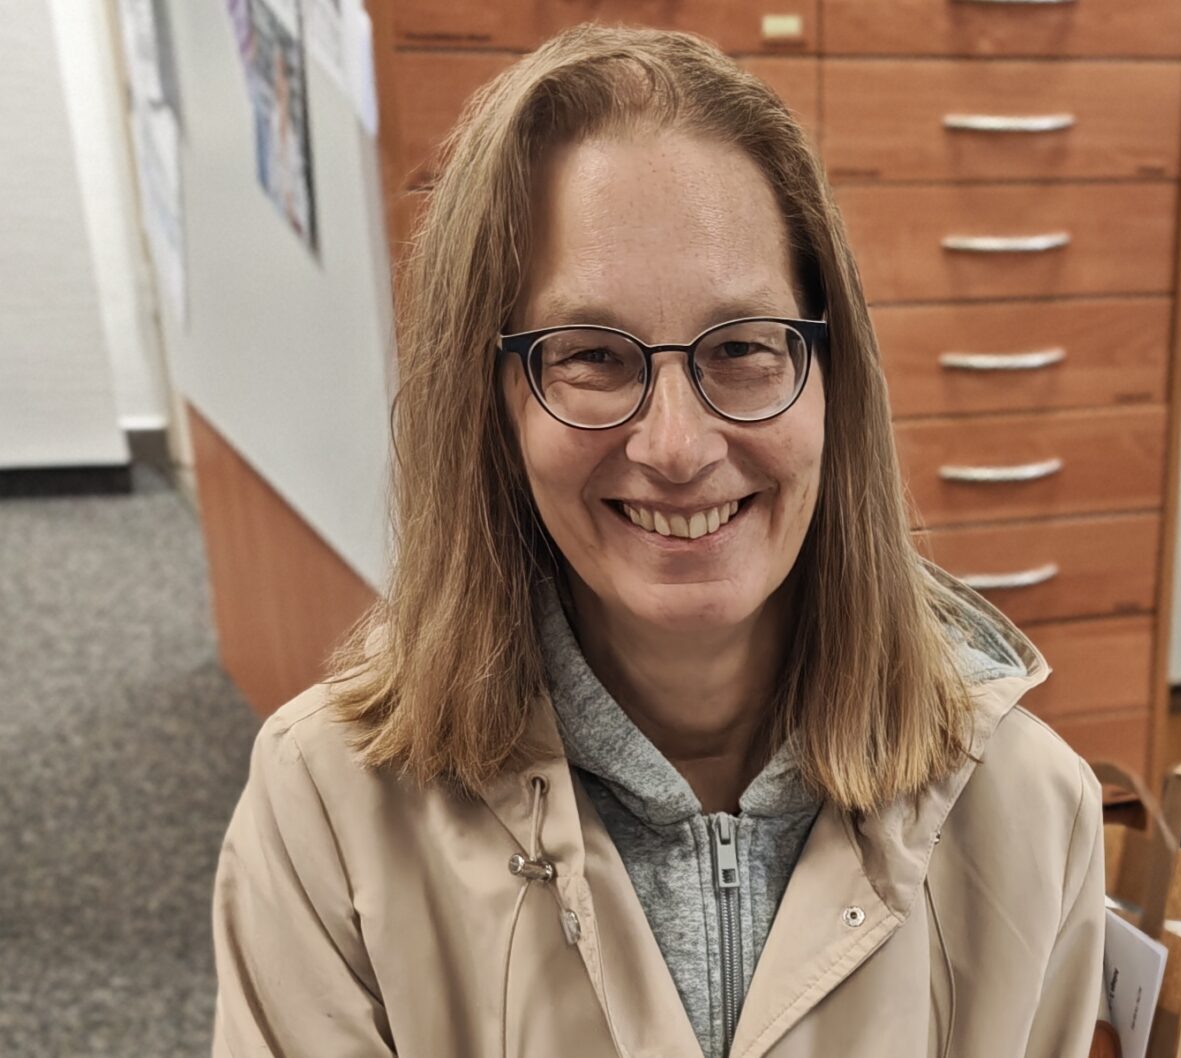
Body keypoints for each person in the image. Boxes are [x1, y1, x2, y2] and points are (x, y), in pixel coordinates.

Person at [209, 24, 1106, 1057]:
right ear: (488, 403)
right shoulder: (327, 808)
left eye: (743, 347)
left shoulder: (1029, 810)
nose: (676, 445)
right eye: (591, 356)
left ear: (831, 376)